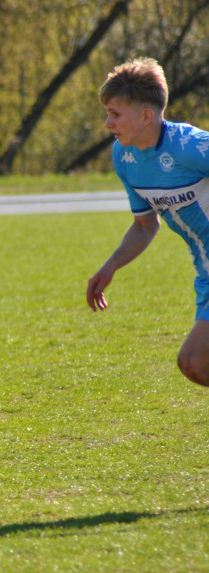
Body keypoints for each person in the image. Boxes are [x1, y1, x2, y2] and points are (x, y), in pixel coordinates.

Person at [87, 57, 209, 386]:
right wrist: (110, 266)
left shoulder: (190, 145)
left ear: (145, 115)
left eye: (115, 114)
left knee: (194, 359)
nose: (108, 124)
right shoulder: (124, 156)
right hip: (206, 270)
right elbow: (145, 225)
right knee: (195, 364)